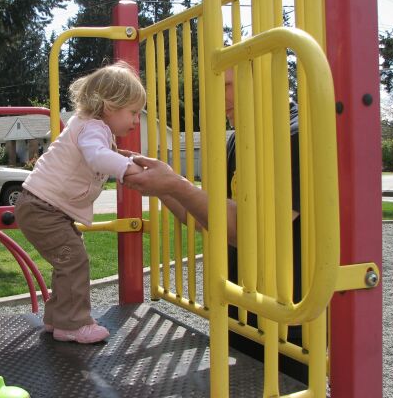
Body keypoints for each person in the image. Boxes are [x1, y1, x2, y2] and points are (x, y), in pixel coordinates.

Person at [123, 68, 306, 382]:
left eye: (229, 85)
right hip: (242, 307)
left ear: (262, 78)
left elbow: (256, 232)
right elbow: (209, 219)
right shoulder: (240, 137)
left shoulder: (296, 133)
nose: (220, 99)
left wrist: (177, 186)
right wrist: (161, 185)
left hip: (288, 317)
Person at [14, 62, 146, 344]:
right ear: (109, 106)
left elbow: (101, 153)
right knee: (74, 260)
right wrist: (128, 168)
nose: (136, 121)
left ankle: (57, 318)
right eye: (133, 113)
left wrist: (124, 159)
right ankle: (73, 325)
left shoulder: (91, 127)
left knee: (69, 259)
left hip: (43, 208)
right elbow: (97, 157)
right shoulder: (93, 128)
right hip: (42, 208)